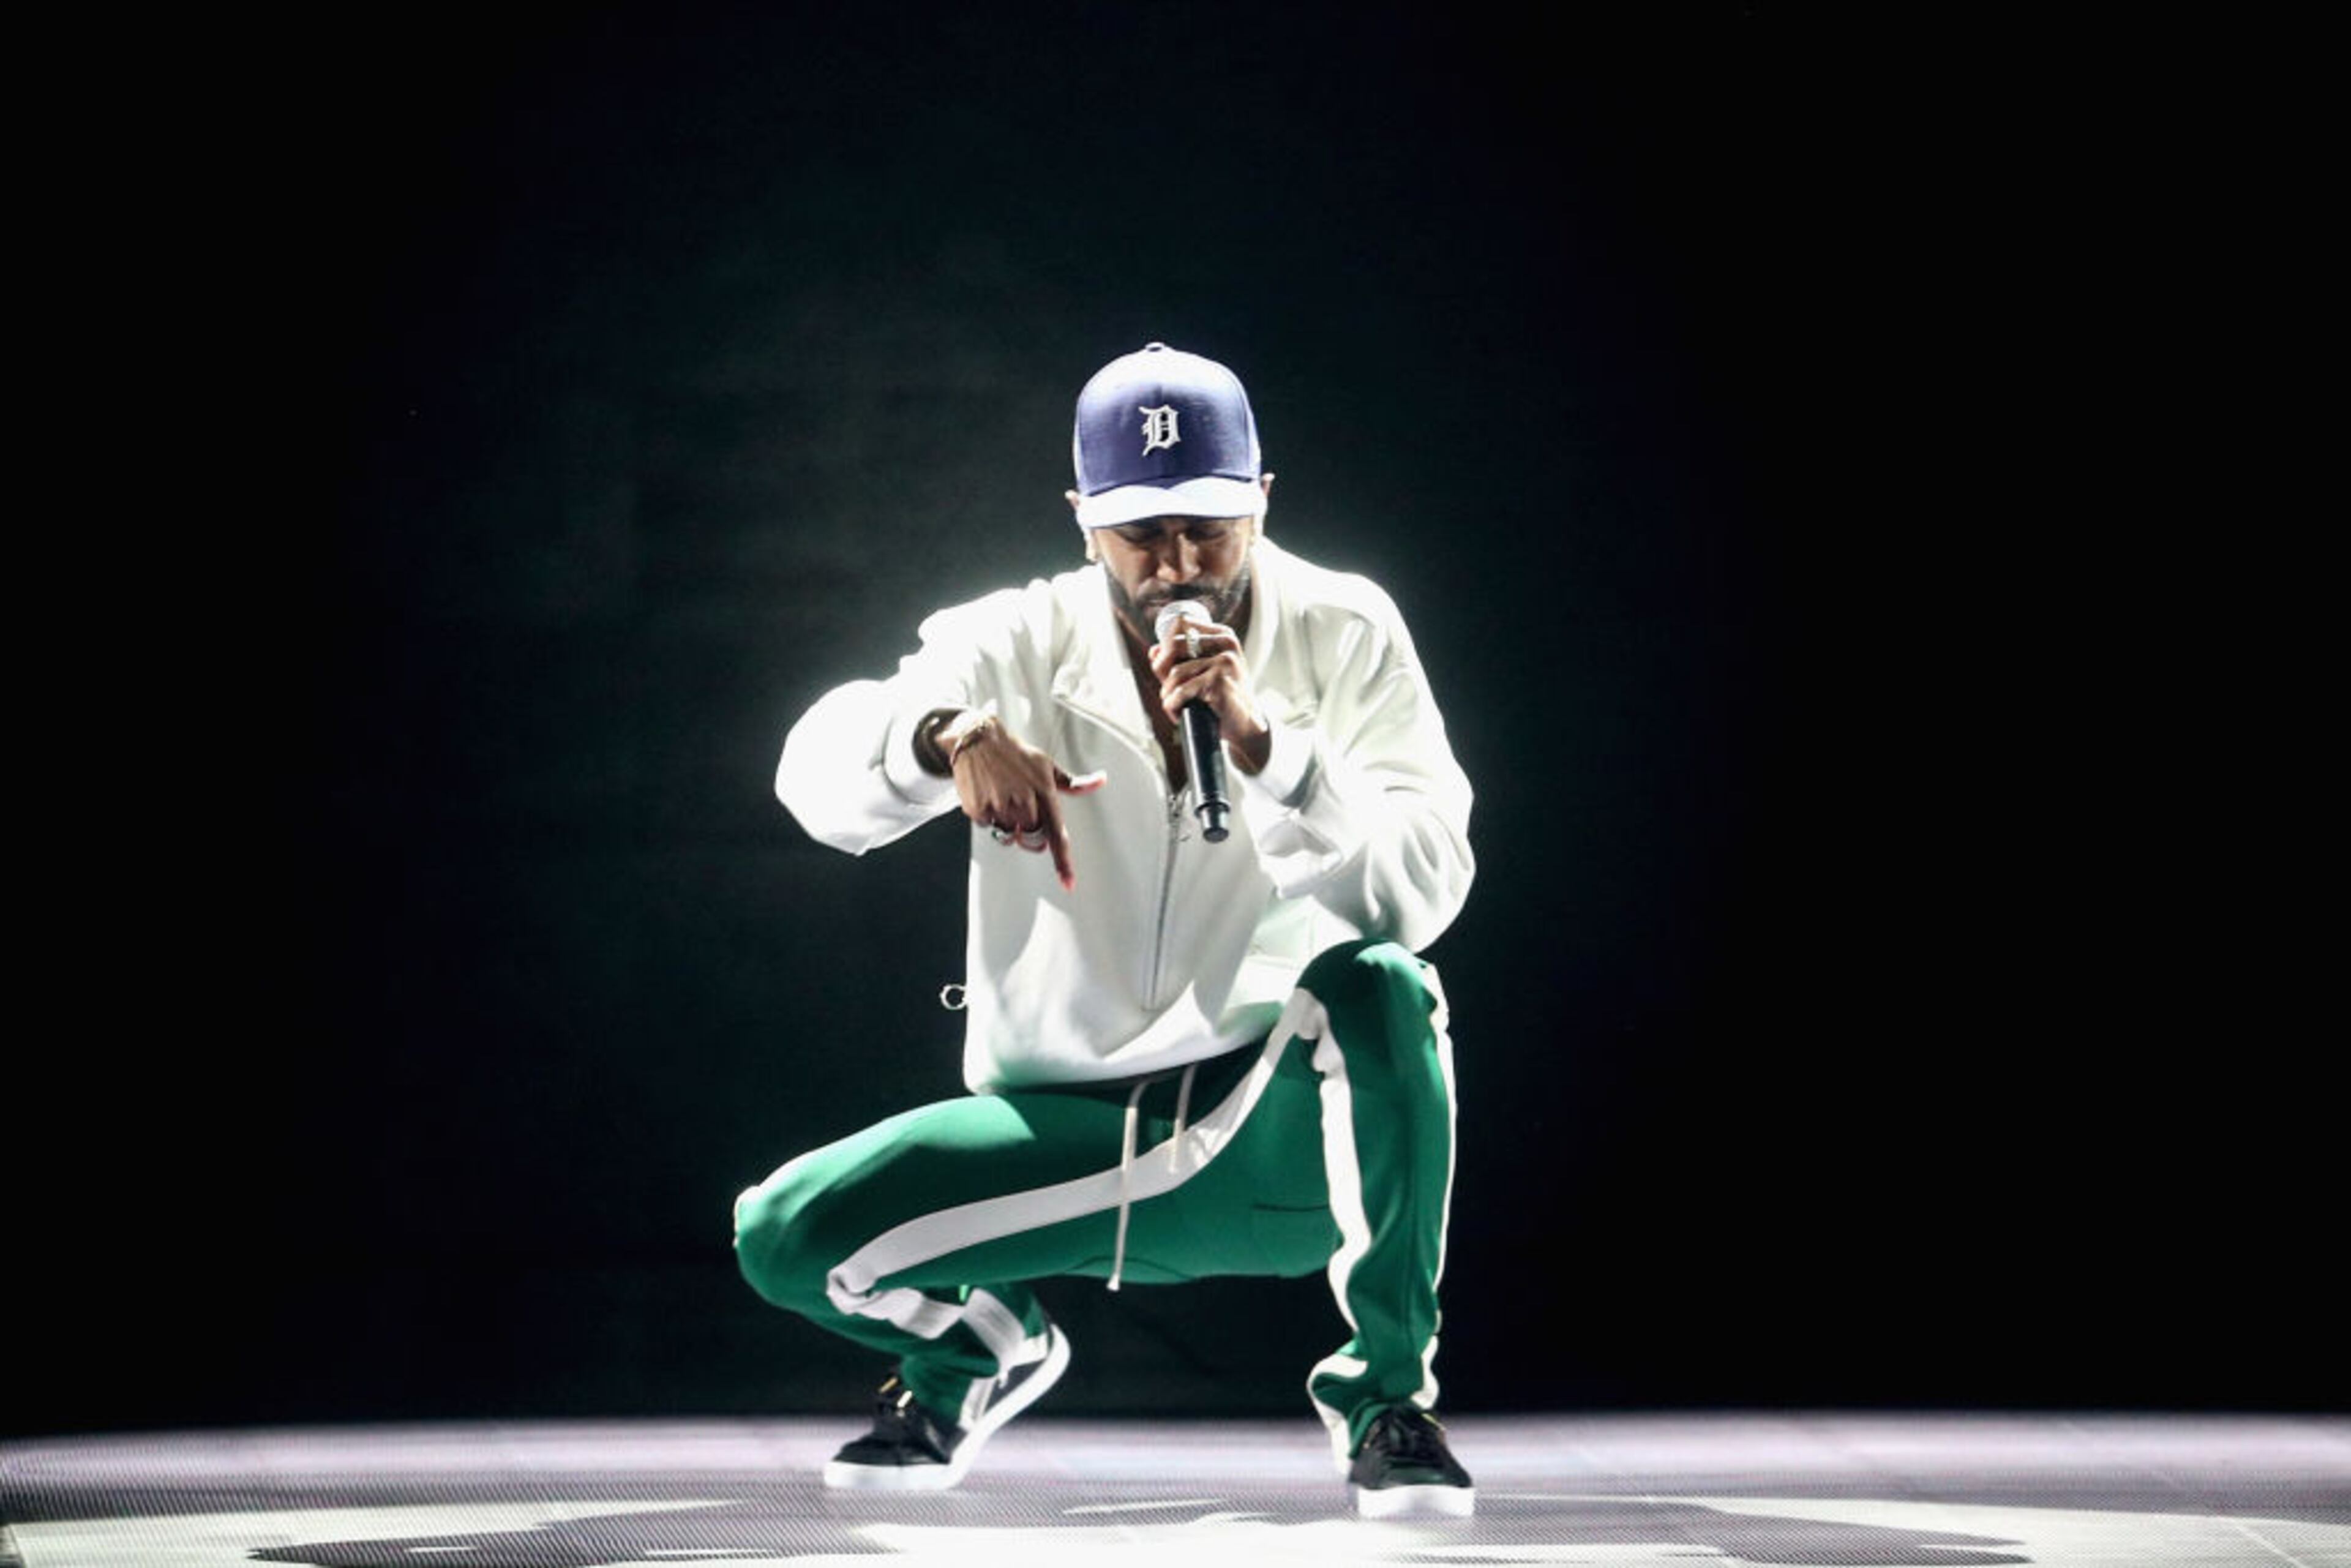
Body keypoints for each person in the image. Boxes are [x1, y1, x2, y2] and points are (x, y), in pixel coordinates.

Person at [733, 342, 1477, 1518]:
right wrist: (942, 735)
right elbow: (812, 781)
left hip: (1261, 1132)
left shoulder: (1348, 629)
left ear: (1262, 501)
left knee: (1386, 981)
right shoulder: (1011, 639)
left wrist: (1273, 751)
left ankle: (1389, 1401)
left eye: (1209, 527)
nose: (1178, 564)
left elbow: (1427, 890)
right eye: (1142, 533)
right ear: (1083, 521)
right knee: (782, 1232)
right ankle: (980, 1346)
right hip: (1066, 1137)